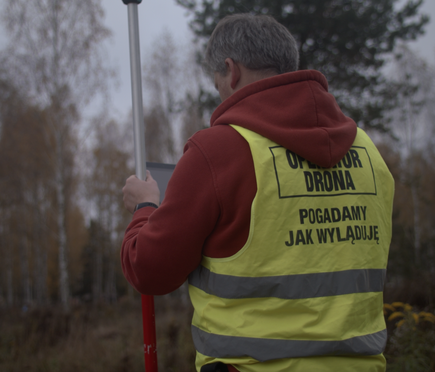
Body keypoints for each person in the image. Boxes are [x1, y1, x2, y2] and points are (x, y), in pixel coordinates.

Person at [121, 13, 394, 372]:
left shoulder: (217, 151)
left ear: (231, 71)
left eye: (216, 79)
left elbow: (150, 270)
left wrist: (145, 207)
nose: (219, 90)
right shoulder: (368, 152)